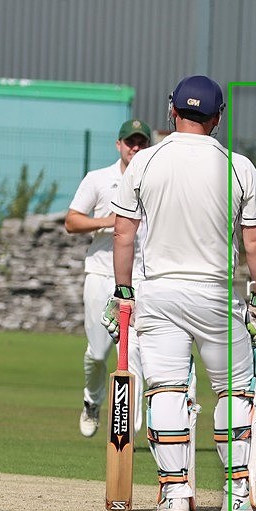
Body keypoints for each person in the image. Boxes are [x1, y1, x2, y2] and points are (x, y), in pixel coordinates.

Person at [106, 75, 256, 511]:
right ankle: (238, 495)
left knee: (165, 389)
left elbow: (123, 233)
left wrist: (123, 292)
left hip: (158, 294)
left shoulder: (143, 162)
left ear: (172, 111)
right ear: (218, 117)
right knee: (235, 389)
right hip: (213, 295)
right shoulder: (238, 166)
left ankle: (175, 493)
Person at [65, 119, 150, 438]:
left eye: (141, 142)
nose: (136, 147)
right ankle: (92, 400)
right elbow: (72, 221)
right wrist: (108, 222)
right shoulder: (98, 179)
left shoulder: (154, 181)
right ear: (119, 144)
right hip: (101, 273)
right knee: (99, 352)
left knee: (136, 351)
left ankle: (129, 425)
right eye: (131, 142)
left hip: (141, 278)